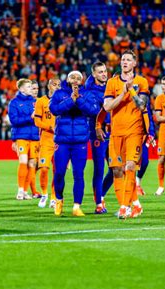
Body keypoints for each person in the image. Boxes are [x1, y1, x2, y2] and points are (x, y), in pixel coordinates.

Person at [103, 50, 150, 219]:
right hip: (116, 132)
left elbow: (142, 106)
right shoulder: (112, 83)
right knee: (116, 170)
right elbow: (108, 107)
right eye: (123, 59)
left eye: (128, 60)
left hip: (134, 132)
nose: (124, 62)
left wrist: (132, 91)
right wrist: (123, 93)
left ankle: (125, 207)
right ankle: (135, 204)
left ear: (134, 64)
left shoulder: (142, 82)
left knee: (130, 166)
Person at [50, 70, 99, 216]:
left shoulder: (88, 94)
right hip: (62, 141)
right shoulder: (59, 93)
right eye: (73, 77)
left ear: (82, 81)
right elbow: (54, 109)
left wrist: (79, 100)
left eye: (78, 78)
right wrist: (71, 100)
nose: (76, 79)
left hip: (80, 142)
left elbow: (94, 111)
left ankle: (77, 206)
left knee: (78, 174)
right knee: (59, 173)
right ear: (68, 79)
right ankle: (59, 199)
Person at [87, 61, 113, 214]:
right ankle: (98, 203)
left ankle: (101, 194)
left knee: (116, 168)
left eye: (105, 71)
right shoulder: (90, 91)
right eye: (100, 72)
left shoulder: (110, 87)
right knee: (99, 169)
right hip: (99, 133)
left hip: (113, 132)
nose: (104, 74)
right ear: (94, 74)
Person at [9, 79, 40, 201]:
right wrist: (30, 118)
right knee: (23, 161)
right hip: (21, 136)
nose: (31, 89)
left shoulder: (36, 102)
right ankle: (20, 190)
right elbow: (14, 121)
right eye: (28, 87)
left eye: (31, 87)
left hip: (35, 137)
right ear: (21, 89)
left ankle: (26, 191)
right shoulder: (14, 103)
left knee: (32, 164)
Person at [34, 77, 61, 208]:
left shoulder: (63, 102)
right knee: (44, 169)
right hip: (46, 140)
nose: (56, 87)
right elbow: (37, 121)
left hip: (60, 141)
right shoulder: (41, 101)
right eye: (54, 84)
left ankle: (53, 197)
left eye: (59, 85)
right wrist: (49, 127)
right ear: (49, 86)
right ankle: (44, 194)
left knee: (58, 171)